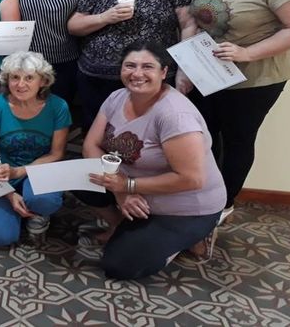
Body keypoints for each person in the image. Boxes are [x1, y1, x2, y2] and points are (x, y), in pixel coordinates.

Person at [77, 41, 226, 280]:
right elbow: (90, 145)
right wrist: (121, 191)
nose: (137, 73)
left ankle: (197, 234)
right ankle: (122, 225)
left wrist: (127, 186)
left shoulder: (175, 115)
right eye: (130, 66)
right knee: (77, 173)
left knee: (119, 266)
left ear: (163, 72)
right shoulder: (117, 97)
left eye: (147, 66)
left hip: (184, 205)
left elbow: (191, 179)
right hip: (134, 187)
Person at [188, 0, 290, 221]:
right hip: (209, 73)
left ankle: (223, 204)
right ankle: (200, 196)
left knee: (236, 141)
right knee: (202, 136)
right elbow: (195, 10)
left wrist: (247, 53)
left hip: (253, 79)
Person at [67, 0, 194, 132]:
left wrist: (185, 68)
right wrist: (105, 17)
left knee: (147, 134)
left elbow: (188, 24)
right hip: (99, 77)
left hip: (150, 78)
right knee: (99, 132)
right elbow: (74, 25)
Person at [0, 51, 70, 246]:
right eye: (15, 77)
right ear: (7, 80)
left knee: (44, 201)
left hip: (41, 171)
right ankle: (18, 207)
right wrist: (8, 194)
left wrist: (19, 171)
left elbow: (56, 154)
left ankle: (38, 211)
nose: (20, 84)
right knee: (0, 237)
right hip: (3, 175)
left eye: (29, 78)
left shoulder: (58, 106)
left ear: (43, 81)